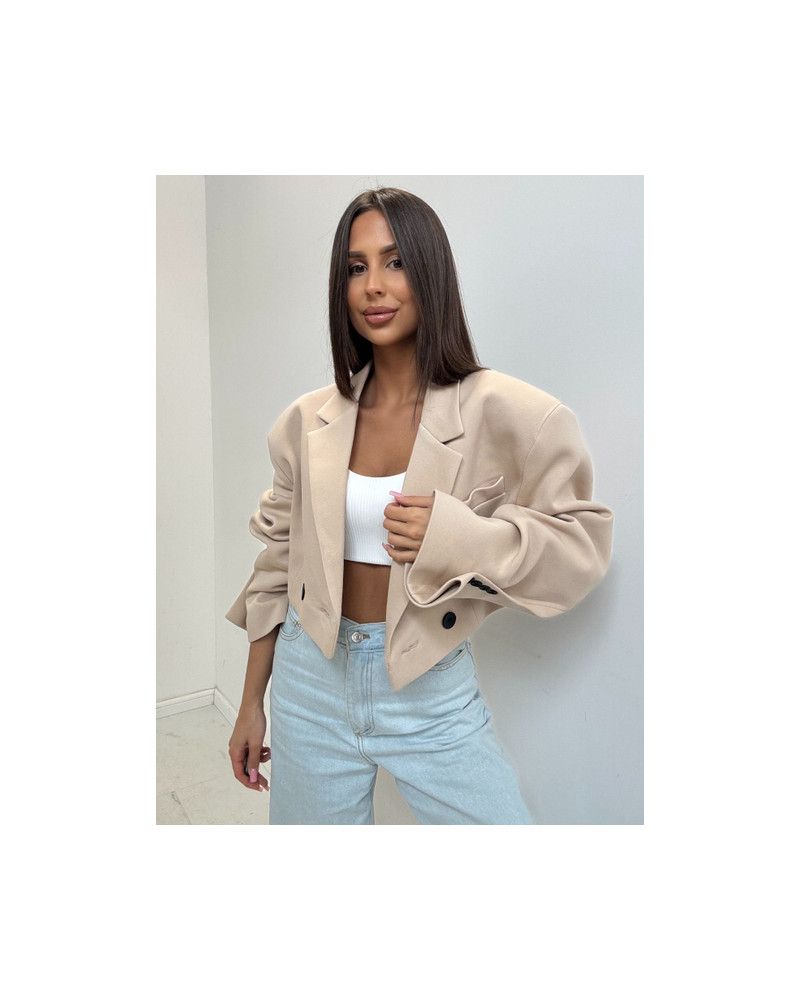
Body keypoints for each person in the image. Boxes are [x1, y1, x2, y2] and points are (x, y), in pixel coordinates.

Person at [225, 187, 613, 824]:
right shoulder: (305, 422)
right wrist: (250, 703)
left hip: (429, 685)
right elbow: (275, 569)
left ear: (431, 270)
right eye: (356, 267)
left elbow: (581, 546)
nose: (373, 286)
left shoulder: (511, 412)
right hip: (308, 679)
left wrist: (460, 537)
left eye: (396, 261)